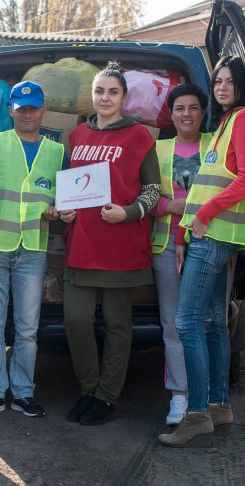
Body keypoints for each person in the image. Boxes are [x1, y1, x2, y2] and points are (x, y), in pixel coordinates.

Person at [159, 55, 245, 447]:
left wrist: (204, 215)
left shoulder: (244, 120)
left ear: (243, 85)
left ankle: (197, 412)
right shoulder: (226, 123)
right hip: (208, 232)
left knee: (187, 324)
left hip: (215, 234)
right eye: (217, 81)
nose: (221, 88)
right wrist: (186, 232)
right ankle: (219, 405)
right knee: (216, 324)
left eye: (229, 82)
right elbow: (212, 182)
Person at [61, 61, 161, 426]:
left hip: (122, 246)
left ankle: (106, 397)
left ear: (123, 97)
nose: (105, 97)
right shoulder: (76, 136)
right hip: (82, 245)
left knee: (118, 324)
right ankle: (88, 388)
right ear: (93, 95)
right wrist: (65, 212)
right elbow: (68, 188)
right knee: (76, 319)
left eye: (112, 91)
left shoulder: (139, 136)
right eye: (100, 91)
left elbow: (153, 192)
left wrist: (130, 212)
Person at [0, 81, 65, 417]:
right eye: (21, 108)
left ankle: (23, 392)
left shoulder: (56, 151)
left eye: (33, 108)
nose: (27, 113)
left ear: (43, 110)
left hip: (34, 248)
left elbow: (62, 201)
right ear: (11, 110)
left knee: (28, 328)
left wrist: (58, 211)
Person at [150, 84, 212, 425]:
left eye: (192, 108)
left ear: (203, 112)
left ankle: (208, 398)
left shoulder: (215, 145)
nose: (186, 114)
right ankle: (180, 396)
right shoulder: (157, 149)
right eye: (179, 109)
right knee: (173, 325)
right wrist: (167, 205)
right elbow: (141, 194)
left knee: (206, 325)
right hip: (165, 247)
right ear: (170, 115)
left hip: (209, 245)